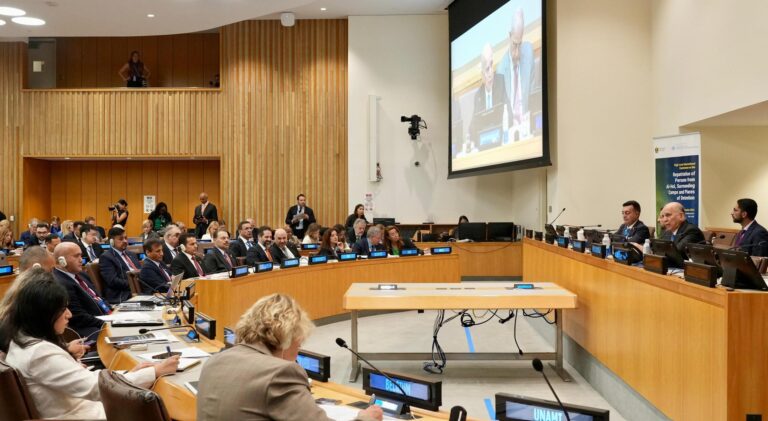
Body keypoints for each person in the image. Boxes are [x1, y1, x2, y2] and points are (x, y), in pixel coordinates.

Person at [4, 270, 178, 420]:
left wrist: (130, 373)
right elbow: (97, 388)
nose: (69, 315)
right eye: (62, 309)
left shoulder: (21, 340)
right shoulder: (39, 353)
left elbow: (86, 380)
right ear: (43, 315)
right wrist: (155, 371)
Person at [196, 293, 382, 421]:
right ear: (287, 335)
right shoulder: (280, 373)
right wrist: (365, 418)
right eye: (299, 342)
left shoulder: (214, 361)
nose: (298, 349)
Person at [52, 242, 109, 338]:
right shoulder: (61, 283)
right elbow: (78, 317)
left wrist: (112, 311)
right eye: (76, 256)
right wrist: (107, 322)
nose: (81, 260)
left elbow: (98, 297)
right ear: (61, 261)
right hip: (89, 328)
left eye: (81, 255)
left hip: (104, 318)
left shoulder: (82, 274)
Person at [497, 8, 535, 139]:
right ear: (509, 35)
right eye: (514, 44)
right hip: (510, 130)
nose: (517, 52)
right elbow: (502, 113)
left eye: (520, 44)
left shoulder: (528, 52)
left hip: (528, 126)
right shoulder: (501, 70)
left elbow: (533, 93)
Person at [469, 43, 509, 145]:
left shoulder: (501, 82)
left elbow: (509, 114)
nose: (491, 72)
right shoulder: (478, 95)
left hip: (501, 139)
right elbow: (472, 128)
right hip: (485, 142)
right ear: (482, 75)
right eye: (487, 69)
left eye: (491, 65)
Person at [98, 227, 141, 303]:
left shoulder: (132, 254)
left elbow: (140, 272)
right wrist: (135, 284)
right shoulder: (106, 257)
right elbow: (113, 281)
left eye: (125, 238)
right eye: (121, 239)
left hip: (139, 289)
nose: (125, 241)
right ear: (111, 241)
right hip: (123, 294)